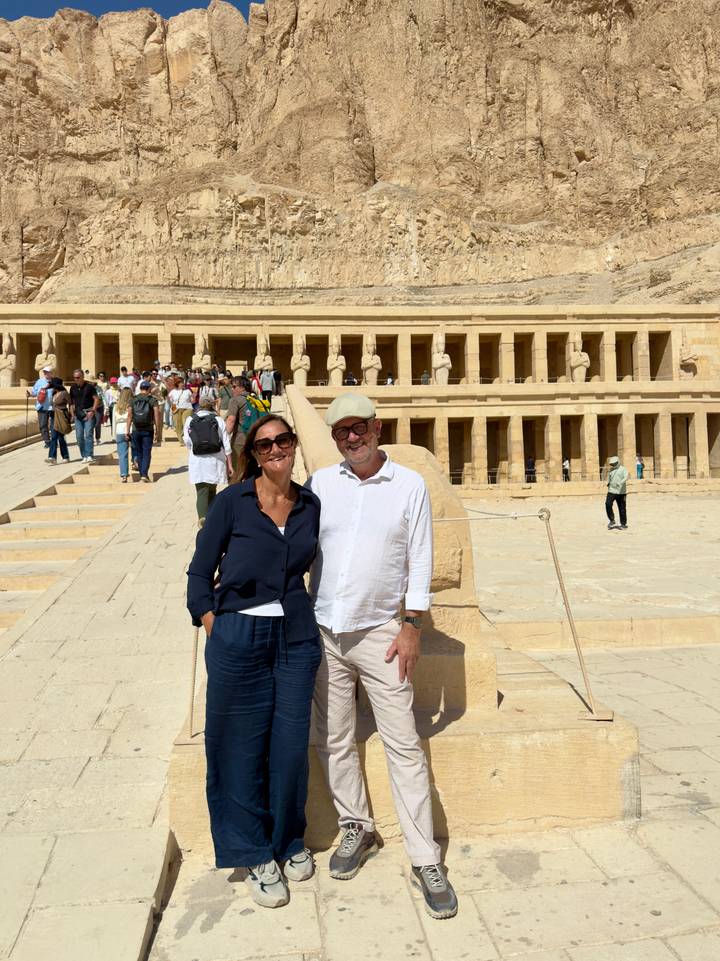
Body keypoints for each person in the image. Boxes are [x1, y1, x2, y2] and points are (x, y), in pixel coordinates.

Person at [308, 393, 458, 921]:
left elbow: (421, 558)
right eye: (342, 431)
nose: (353, 437)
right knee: (333, 737)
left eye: (360, 427)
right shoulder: (322, 483)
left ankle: (424, 856)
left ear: (377, 427)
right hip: (326, 627)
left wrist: (413, 624)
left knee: (403, 744)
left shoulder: (409, 486)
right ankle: (357, 826)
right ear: (334, 438)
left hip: (381, 632)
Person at [186, 415, 322, 909]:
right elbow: (200, 571)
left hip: (295, 634)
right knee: (237, 747)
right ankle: (253, 851)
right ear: (253, 455)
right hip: (238, 633)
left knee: (288, 747)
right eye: (264, 445)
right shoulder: (231, 503)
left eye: (282, 441)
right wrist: (211, 621)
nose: (274, 450)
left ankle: (288, 840)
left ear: (293, 446)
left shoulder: (310, 504)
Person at [184, 397, 233, 525]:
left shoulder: (190, 420)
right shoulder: (218, 420)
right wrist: (230, 465)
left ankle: (202, 518)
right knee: (212, 489)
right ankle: (210, 518)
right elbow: (226, 443)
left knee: (201, 491)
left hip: (198, 460)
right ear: (212, 406)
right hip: (215, 460)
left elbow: (187, 442)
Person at [225, 378, 259, 480]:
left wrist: (224, 437)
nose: (232, 389)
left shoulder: (235, 400)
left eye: (234, 386)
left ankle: (236, 494)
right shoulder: (255, 399)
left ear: (242, 387)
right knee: (251, 471)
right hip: (255, 441)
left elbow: (231, 420)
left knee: (236, 472)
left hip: (239, 441)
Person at [127, 381, 157, 482]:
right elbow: (156, 415)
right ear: (149, 388)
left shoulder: (133, 399)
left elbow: (129, 415)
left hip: (136, 429)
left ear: (140, 388)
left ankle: (141, 474)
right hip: (148, 429)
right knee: (147, 452)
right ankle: (144, 474)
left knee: (139, 452)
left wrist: (127, 430)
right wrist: (157, 429)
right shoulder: (152, 400)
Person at [69, 369, 100, 464]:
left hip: (88, 412)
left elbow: (96, 399)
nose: (76, 379)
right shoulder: (72, 388)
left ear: (82, 377)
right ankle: (84, 455)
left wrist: (93, 411)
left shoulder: (89, 387)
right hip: (78, 415)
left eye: (78, 377)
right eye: (74, 378)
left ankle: (89, 454)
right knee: (79, 436)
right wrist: (72, 414)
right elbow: (71, 403)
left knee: (88, 434)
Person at [46, 377, 71, 465]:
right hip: (53, 416)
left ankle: (65, 456)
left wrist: (70, 416)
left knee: (61, 437)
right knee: (53, 437)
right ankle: (52, 457)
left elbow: (70, 404)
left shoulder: (64, 393)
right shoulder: (53, 393)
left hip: (61, 415)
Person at [113, 387, 134, 482]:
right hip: (130, 428)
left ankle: (124, 475)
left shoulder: (116, 406)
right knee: (136, 448)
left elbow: (114, 422)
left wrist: (114, 435)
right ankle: (135, 462)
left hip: (119, 430)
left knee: (122, 455)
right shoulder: (131, 405)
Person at [28, 366, 53, 447]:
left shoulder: (55, 382)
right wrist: (30, 394)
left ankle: (55, 440)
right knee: (43, 425)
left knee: (54, 426)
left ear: (51, 373)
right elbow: (34, 392)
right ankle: (47, 442)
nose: (45, 373)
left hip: (53, 407)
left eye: (47, 372)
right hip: (41, 406)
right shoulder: (39, 381)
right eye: (44, 372)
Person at [606, 455, 629, 530]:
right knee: (608, 504)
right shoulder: (611, 470)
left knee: (622, 508)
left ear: (618, 462)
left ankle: (623, 524)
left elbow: (626, 477)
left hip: (621, 492)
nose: (613, 465)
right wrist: (608, 482)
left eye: (614, 463)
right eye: (612, 464)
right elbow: (609, 477)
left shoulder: (623, 469)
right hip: (611, 490)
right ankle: (612, 520)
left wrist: (621, 482)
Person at [169, 377, 193, 443]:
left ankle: (186, 438)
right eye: (181, 382)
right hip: (177, 409)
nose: (182, 384)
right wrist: (173, 408)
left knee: (186, 423)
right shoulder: (172, 392)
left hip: (187, 408)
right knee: (177, 425)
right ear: (177, 383)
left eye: (183, 382)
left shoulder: (188, 391)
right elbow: (171, 401)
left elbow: (192, 400)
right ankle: (181, 440)